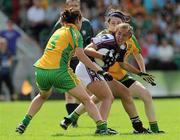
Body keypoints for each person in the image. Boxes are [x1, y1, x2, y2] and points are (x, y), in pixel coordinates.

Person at [15, 9, 115, 135]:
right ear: (78, 20)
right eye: (81, 21)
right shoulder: (76, 33)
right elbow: (81, 55)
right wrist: (99, 70)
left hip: (41, 70)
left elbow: (59, 51)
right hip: (59, 72)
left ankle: (24, 123)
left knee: (42, 96)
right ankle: (102, 128)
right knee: (86, 99)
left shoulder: (58, 31)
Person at [60, 23, 154, 134]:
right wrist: (102, 56)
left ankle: (138, 126)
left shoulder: (123, 47)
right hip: (87, 68)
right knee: (107, 97)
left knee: (125, 92)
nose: (120, 37)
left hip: (100, 72)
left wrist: (140, 73)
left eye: (124, 36)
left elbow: (123, 64)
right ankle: (101, 128)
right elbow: (86, 50)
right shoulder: (107, 39)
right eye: (119, 33)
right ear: (115, 32)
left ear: (129, 38)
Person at [96, 9, 164, 133]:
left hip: (122, 77)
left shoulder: (129, 38)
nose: (116, 25)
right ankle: (74, 117)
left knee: (146, 95)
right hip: (106, 77)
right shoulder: (103, 37)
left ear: (124, 24)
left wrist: (143, 72)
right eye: (113, 22)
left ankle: (154, 129)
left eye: (118, 22)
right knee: (96, 99)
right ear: (108, 23)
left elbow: (137, 56)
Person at [46, 0, 94, 127]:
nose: (73, 8)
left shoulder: (87, 24)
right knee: (70, 94)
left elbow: (91, 43)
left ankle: (74, 118)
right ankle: (74, 122)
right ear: (67, 7)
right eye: (71, 6)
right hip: (67, 62)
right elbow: (52, 42)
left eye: (76, 5)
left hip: (82, 62)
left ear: (80, 7)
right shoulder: (60, 24)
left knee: (85, 93)